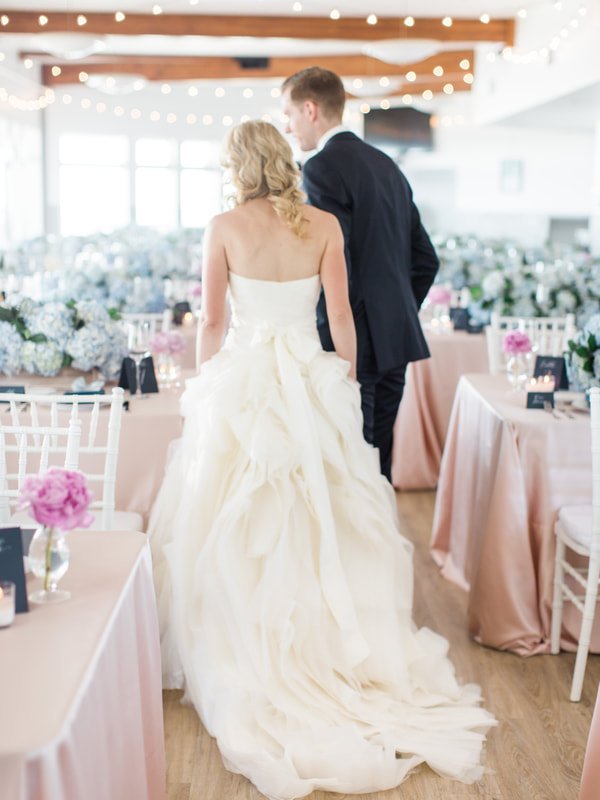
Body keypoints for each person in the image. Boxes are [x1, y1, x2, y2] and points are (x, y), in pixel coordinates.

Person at [148, 120, 494, 800]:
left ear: (238, 167)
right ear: (283, 160)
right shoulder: (324, 225)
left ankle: (246, 635)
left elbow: (214, 324)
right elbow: (340, 314)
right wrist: (343, 379)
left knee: (235, 514)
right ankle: (337, 642)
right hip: (310, 376)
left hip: (247, 380)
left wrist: (204, 385)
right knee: (324, 509)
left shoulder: (222, 225)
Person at [281, 67, 439, 481]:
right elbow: (425, 259)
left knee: (351, 467)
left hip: (352, 346)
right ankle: (382, 544)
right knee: (377, 464)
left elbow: (337, 263)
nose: (288, 126)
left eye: (290, 113)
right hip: (396, 340)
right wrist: (396, 308)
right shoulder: (388, 166)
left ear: (310, 109)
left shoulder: (318, 168)